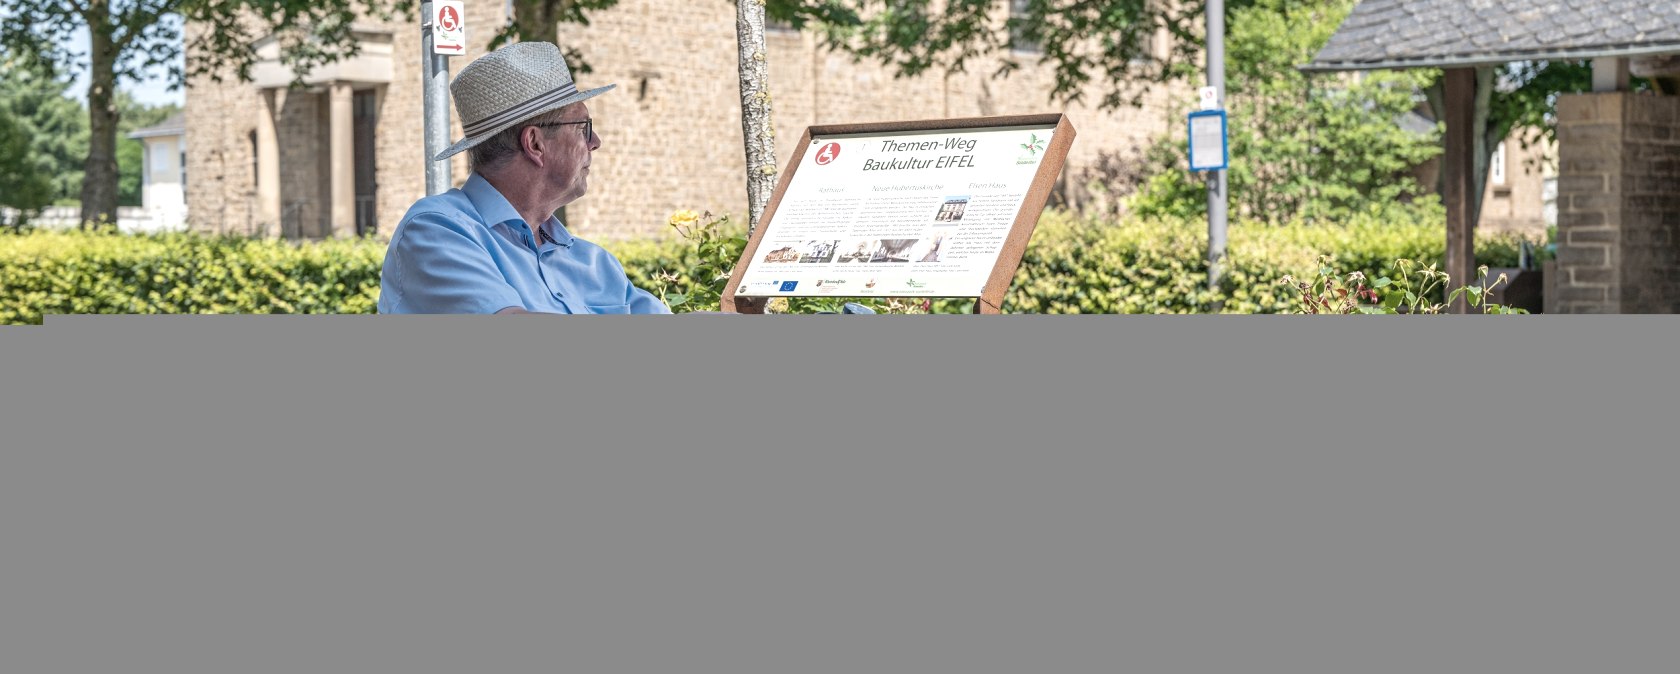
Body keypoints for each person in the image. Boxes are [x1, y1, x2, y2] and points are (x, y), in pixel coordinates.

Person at [378, 41, 669, 314]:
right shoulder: (437, 229)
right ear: (535, 144)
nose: (596, 142)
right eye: (583, 128)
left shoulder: (594, 262)